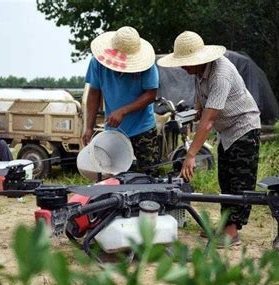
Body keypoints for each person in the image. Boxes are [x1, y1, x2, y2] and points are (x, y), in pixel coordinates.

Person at [157, 31, 261, 247]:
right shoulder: (199, 73)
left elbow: (208, 121)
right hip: (227, 131)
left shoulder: (220, 74)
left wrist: (191, 154)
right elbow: (202, 105)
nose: (183, 67)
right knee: (226, 178)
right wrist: (194, 111)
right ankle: (225, 224)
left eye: (186, 62)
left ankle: (232, 232)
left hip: (244, 127)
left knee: (239, 180)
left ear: (198, 59)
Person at [83, 26, 159, 171]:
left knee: (149, 175)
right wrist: (88, 127)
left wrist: (123, 111)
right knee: (114, 173)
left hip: (143, 128)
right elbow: (94, 93)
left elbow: (151, 94)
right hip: (114, 131)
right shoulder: (97, 63)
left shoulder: (147, 65)